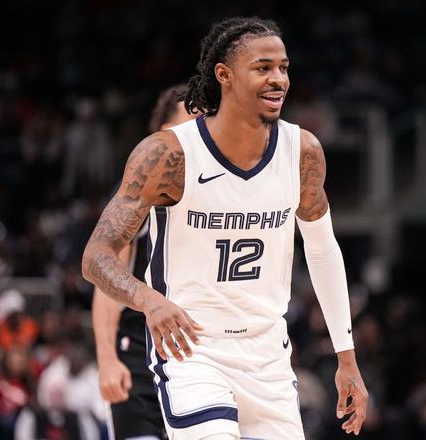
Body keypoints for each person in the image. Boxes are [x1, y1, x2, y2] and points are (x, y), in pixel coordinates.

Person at [82, 16, 368, 439]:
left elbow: (323, 250)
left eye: (283, 67)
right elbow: (96, 256)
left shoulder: (302, 151)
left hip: (268, 353)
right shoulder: (168, 154)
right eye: (262, 68)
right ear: (224, 75)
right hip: (193, 349)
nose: (278, 79)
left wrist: (347, 357)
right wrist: (148, 300)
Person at [91, 84, 195, 440]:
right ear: (162, 133)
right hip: (138, 355)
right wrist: (107, 359)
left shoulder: (217, 193)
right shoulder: (140, 193)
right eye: (187, 125)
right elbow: (106, 283)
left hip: (197, 356)